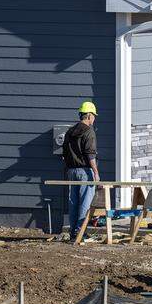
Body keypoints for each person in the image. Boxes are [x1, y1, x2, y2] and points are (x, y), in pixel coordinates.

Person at [63, 101, 100, 241]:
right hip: (85, 171)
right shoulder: (89, 132)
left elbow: (64, 154)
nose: (94, 119)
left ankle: (73, 232)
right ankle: (80, 232)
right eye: (94, 116)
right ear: (89, 115)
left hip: (71, 171)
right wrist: (95, 172)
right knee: (85, 202)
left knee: (73, 202)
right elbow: (90, 154)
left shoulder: (70, 131)